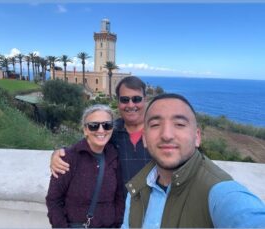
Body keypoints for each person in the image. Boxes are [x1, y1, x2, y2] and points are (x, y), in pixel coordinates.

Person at [122, 93, 265, 228]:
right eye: (155, 125)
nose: (166, 135)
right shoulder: (137, 188)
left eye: (179, 124)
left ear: (197, 137)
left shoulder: (219, 192)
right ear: (145, 138)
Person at [50, 76, 151, 189]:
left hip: (154, 205)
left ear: (145, 99)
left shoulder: (158, 131)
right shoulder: (109, 130)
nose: (131, 105)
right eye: (125, 100)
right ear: (118, 101)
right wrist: (58, 154)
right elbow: (83, 147)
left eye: (136, 99)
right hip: (120, 205)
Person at [46, 104, 124, 228]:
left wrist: (117, 224)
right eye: (94, 126)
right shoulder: (69, 158)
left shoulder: (114, 156)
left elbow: (119, 198)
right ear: (85, 130)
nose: (101, 130)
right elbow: (54, 200)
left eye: (107, 125)